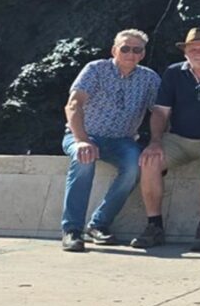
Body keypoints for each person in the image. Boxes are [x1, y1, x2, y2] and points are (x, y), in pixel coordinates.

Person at [130, 28, 200, 251]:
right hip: (177, 139)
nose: (199, 52)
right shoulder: (173, 72)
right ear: (185, 53)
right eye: (193, 49)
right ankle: (154, 225)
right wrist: (155, 141)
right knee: (149, 160)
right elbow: (161, 112)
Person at [60, 29, 161, 252]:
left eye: (137, 50)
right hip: (83, 135)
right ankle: (72, 230)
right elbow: (74, 104)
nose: (130, 54)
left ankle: (98, 224)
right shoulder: (95, 69)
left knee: (135, 167)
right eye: (125, 48)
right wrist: (82, 140)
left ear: (143, 54)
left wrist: (156, 142)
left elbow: (158, 112)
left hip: (122, 141)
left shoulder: (150, 78)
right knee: (84, 160)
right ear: (114, 50)